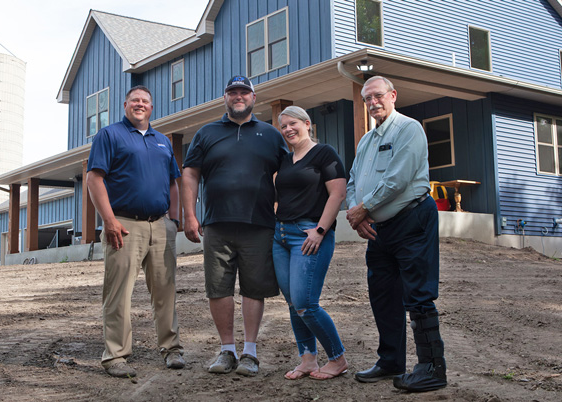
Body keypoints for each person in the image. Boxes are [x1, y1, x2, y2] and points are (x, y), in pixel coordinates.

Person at [182, 75, 288, 377]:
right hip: (217, 223)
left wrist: (282, 207)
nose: (238, 96)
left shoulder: (270, 134)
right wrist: (190, 214)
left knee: (254, 288)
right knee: (219, 287)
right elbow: (190, 174)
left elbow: (289, 173)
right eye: (232, 92)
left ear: (254, 98)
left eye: (244, 92)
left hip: (259, 223)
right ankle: (227, 349)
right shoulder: (206, 133)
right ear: (224, 98)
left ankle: (250, 353)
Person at [346, 76, 447, 392]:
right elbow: (353, 182)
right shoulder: (366, 140)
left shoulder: (409, 129)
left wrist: (364, 209)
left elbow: (398, 179)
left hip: (412, 220)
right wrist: (358, 213)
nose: (372, 102)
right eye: (366, 98)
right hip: (379, 229)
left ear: (393, 95)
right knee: (383, 294)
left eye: (377, 95)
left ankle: (432, 368)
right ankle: (391, 361)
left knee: (417, 293)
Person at [86, 85, 184, 378]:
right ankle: (116, 355)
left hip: (160, 225)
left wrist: (174, 220)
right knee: (118, 293)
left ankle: (172, 348)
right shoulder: (110, 135)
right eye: (135, 101)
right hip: (124, 226)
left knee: (165, 291)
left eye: (145, 101)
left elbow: (173, 183)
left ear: (151, 108)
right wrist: (109, 219)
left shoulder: (162, 141)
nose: (140, 105)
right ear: (125, 105)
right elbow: (94, 179)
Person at [273, 106, 348, 381]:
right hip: (280, 236)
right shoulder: (285, 159)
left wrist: (319, 230)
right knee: (293, 303)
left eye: (293, 124)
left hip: (309, 236)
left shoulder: (325, 153)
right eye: (283, 127)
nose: (288, 130)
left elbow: (337, 194)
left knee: (305, 302)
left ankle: (337, 358)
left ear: (307, 124)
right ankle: (307, 360)